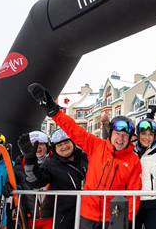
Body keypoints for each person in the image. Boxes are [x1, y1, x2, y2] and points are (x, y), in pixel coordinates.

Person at [27, 83, 142, 228]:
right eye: (118, 134)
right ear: (111, 133)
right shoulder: (96, 145)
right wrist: (53, 111)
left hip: (113, 217)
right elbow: (73, 129)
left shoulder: (133, 160)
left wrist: (128, 220)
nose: (121, 139)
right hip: (87, 215)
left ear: (130, 138)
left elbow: (134, 193)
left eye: (125, 135)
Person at [19, 129, 88, 229]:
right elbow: (36, 181)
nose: (64, 147)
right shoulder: (51, 164)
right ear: (54, 148)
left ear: (72, 142)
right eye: (59, 145)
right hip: (65, 216)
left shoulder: (85, 157)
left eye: (66, 142)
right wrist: (30, 159)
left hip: (90, 212)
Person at [14, 130, 54, 228]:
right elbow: (11, 180)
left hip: (51, 217)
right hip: (30, 217)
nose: (37, 147)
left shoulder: (54, 163)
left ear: (47, 147)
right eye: (32, 144)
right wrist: (7, 185)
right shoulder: (19, 167)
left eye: (40, 144)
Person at [134, 118, 156, 229]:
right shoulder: (131, 151)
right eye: (143, 134)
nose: (147, 138)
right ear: (138, 135)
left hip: (154, 202)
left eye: (150, 134)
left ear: (155, 136)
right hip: (134, 201)